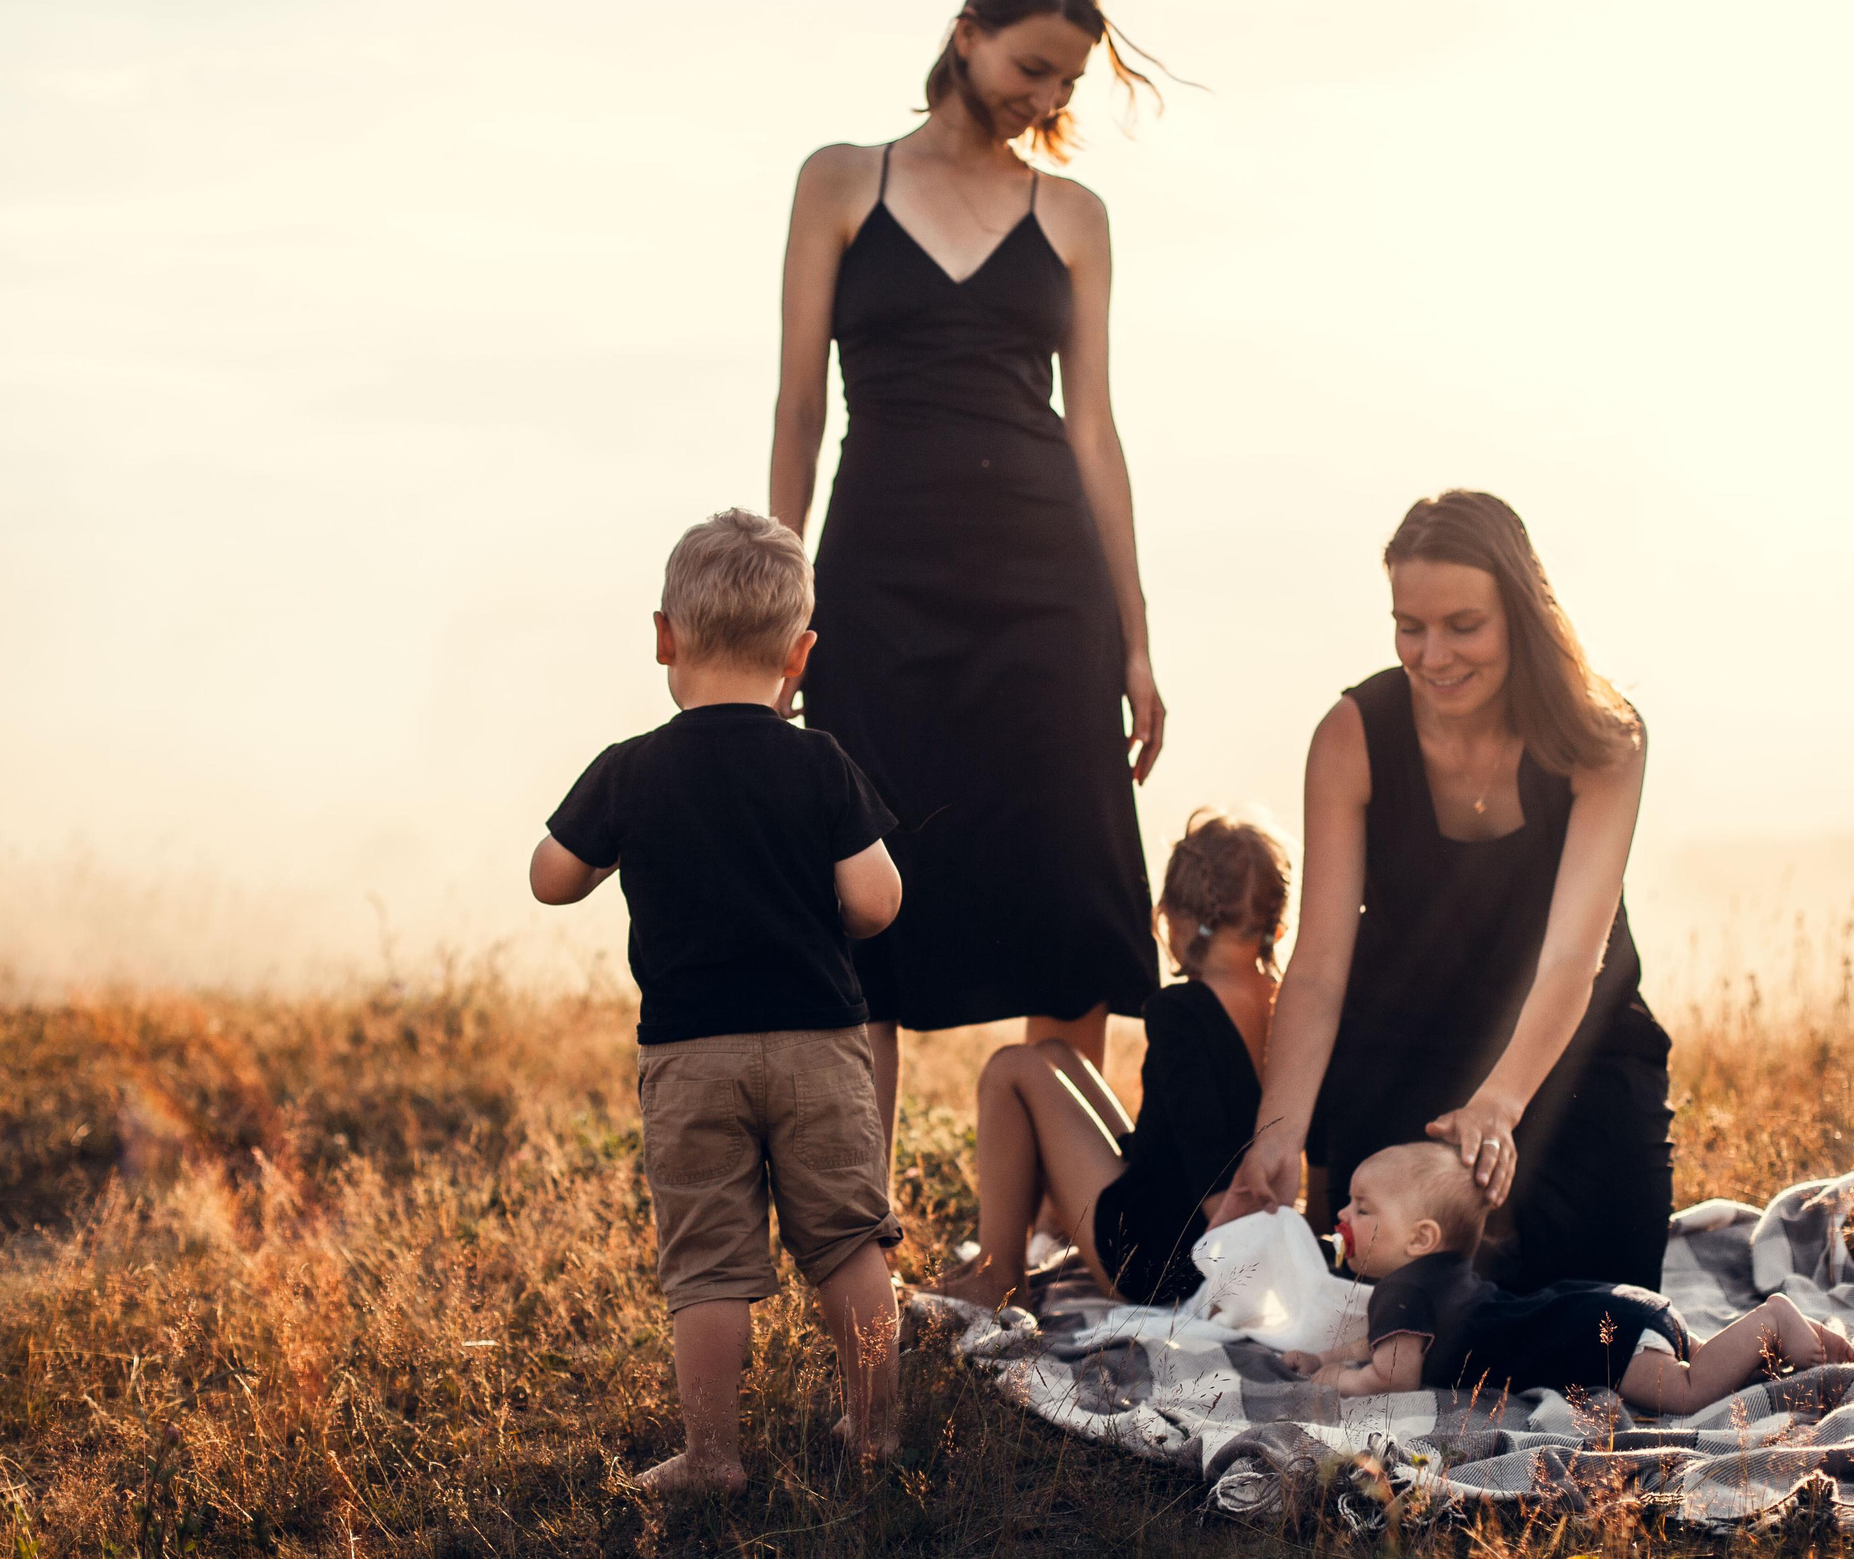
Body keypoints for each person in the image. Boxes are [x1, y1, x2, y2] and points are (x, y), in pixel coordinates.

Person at [768, 0, 1176, 1136]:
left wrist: (1137, 640)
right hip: (877, 579)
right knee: (865, 896)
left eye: (1065, 85)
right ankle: (862, 1235)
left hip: (1048, 585)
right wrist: (782, 605)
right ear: (966, 31)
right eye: (1033, 67)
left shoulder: (1075, 218)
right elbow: (799, 404)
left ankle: (1066, 1229)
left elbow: (1094, 432)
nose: (1045, 100)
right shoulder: (840, 182)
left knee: (1066, 894)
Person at [529, 509, 906, 1493]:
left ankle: (711, 1456)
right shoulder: (817, 760)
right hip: (820, 1046)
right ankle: (874, 1438)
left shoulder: (631, 769)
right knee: (848, 1244)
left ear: (664, 636)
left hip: (691, 1057)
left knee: (708, 1266)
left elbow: (549, 878)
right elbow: (876, 900)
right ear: (800, 652)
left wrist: (610, 838)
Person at [1216, 490, 1677, 1294]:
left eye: (1463, 626)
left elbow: (1574, 955)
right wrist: (1277, 1132)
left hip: (1565, 1046)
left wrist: (1498, 1104)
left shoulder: (1604, 738)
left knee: (1599, 1300)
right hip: (1402, 1044)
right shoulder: (1350, 736)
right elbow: (1320, 963)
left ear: (1522, 616)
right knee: (1382, 1287)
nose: (1432, 655)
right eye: (1409, 626)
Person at [932, 813, 1286, 1312]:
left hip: (1158, 1257)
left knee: (1011, 1067)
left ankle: (999, 1274)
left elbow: (1210, 1167)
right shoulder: (1284, 1006)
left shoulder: (1180, 1011)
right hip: (1211, 1234)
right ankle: (1031, 1240)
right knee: (1057, 1055)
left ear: (1177, 918)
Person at [1285, 1143, 1854, 1409]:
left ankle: (1776, 1317)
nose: (1341, 1218)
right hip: (1614, 1309)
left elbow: (1392, 1376)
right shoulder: (1439, 1279)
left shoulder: (1402, 1288)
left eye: (1362, 1208)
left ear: (1421, 1239)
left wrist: (1334, 1383)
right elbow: (1384, 1344)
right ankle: (1789, 1343)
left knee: (1684, 1392)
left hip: (1597, 1334)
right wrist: (1322, 1357)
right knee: (1703, 1359)